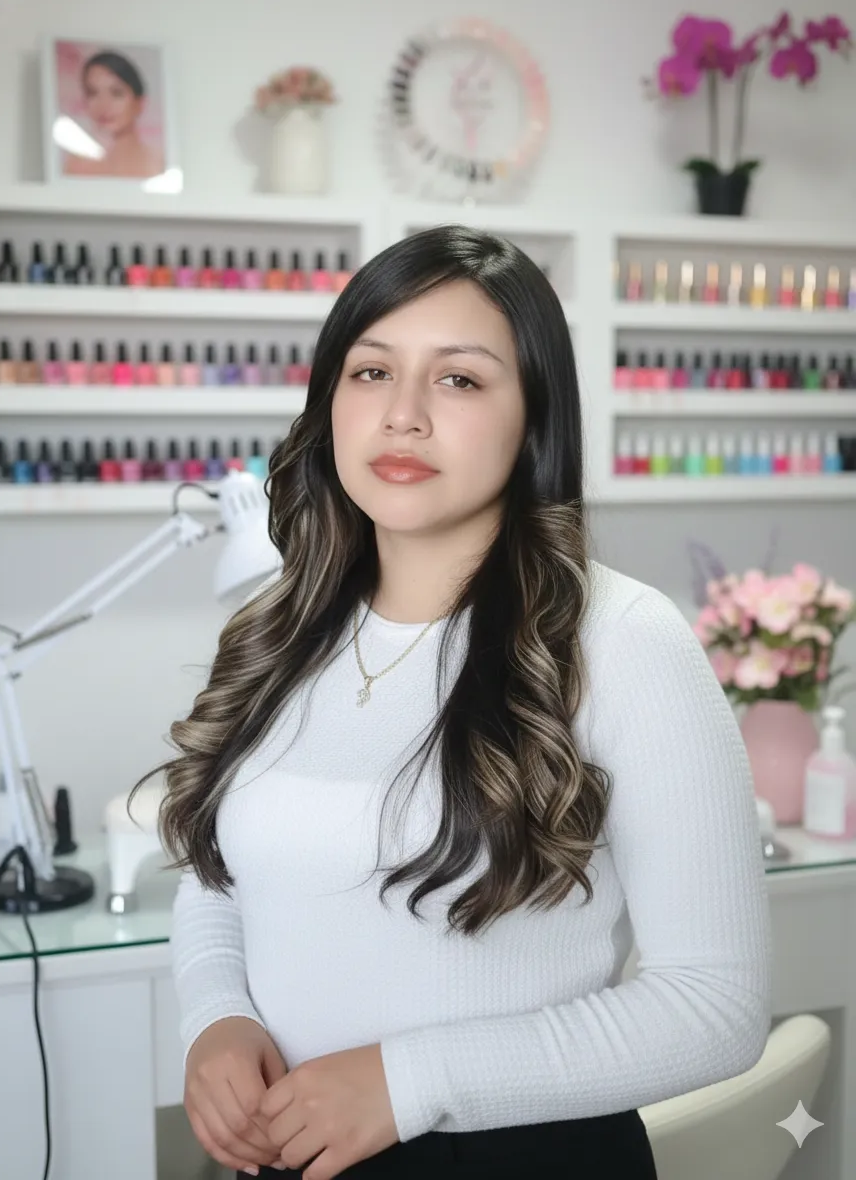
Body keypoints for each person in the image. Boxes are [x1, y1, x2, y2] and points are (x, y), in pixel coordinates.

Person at [130, 224, 773, 1179]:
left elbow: (716, 1006)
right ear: (329, 402)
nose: (403, 416)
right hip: (289, 1153)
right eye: (372, 372)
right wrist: (216, 1015)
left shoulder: (622, 642)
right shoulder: (279, 630)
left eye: (460, 379)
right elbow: (228, 876)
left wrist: (409, 1080)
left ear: (534, 417)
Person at [62, 50, 164, 178]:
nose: (103, 105)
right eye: (93, 93)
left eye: (116, 93)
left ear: (139, 103)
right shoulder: (76, 166)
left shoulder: (160, 164)